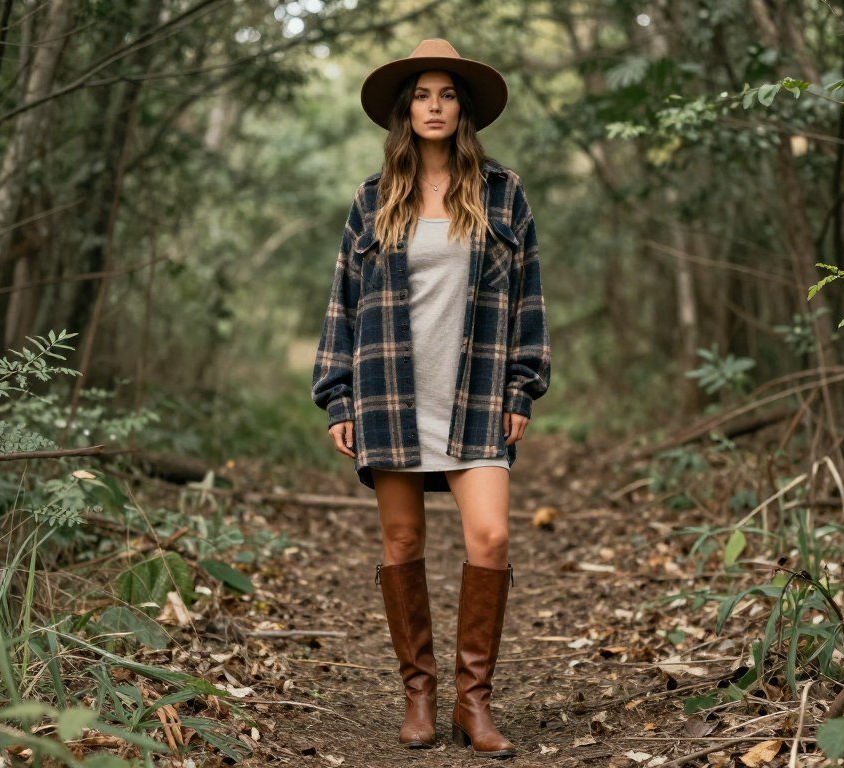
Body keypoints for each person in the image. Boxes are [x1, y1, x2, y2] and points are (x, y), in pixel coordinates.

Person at [311, 38, 550, 759]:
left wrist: (522, 386)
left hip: (477, 391)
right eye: (422, 94)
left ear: (464, 109)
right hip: (390, 393)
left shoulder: (504, 193)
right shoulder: (372, 198)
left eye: (447, 94)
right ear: (404, 109)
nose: (435, 106)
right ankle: (418, 693)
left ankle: (473, 703)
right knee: (403, 542)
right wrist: (339, 398)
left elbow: (530, 301)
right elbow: (343, 306)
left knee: (492, 538)